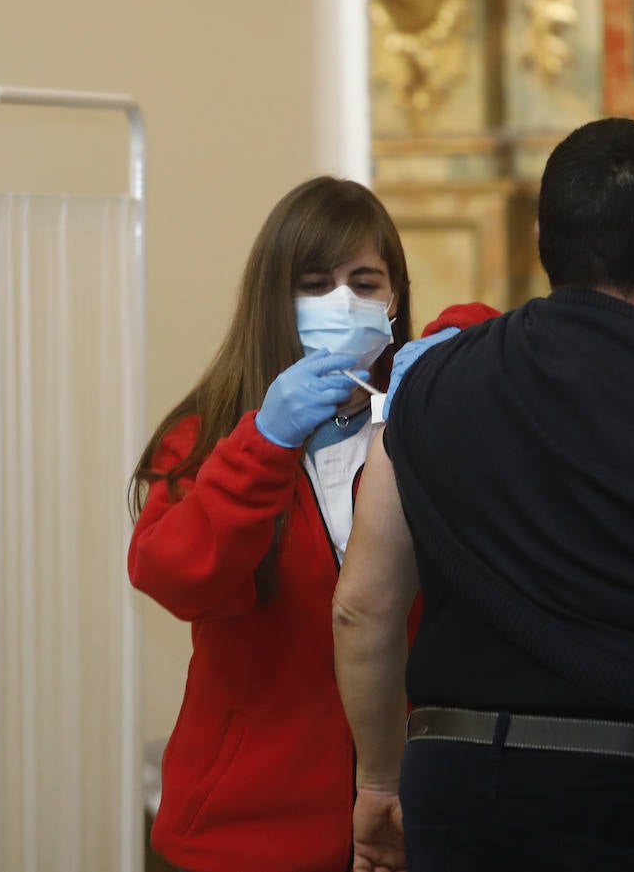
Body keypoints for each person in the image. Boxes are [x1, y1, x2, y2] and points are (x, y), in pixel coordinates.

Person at [331, 117, 634, 872]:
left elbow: (361, 603)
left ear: (542, 235)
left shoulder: (431, 382)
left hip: (456, 785)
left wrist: (377, 780)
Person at [128, 176, 419, 872]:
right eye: (315, 283)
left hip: (397, 830)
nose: (342, 303)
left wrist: (448, 351)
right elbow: (172, 573)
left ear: (394, 300)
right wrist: (267, 440)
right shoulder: (208, 436)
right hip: (239, 839)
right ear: (275, 300)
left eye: (365, 281)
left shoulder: (418, 432)